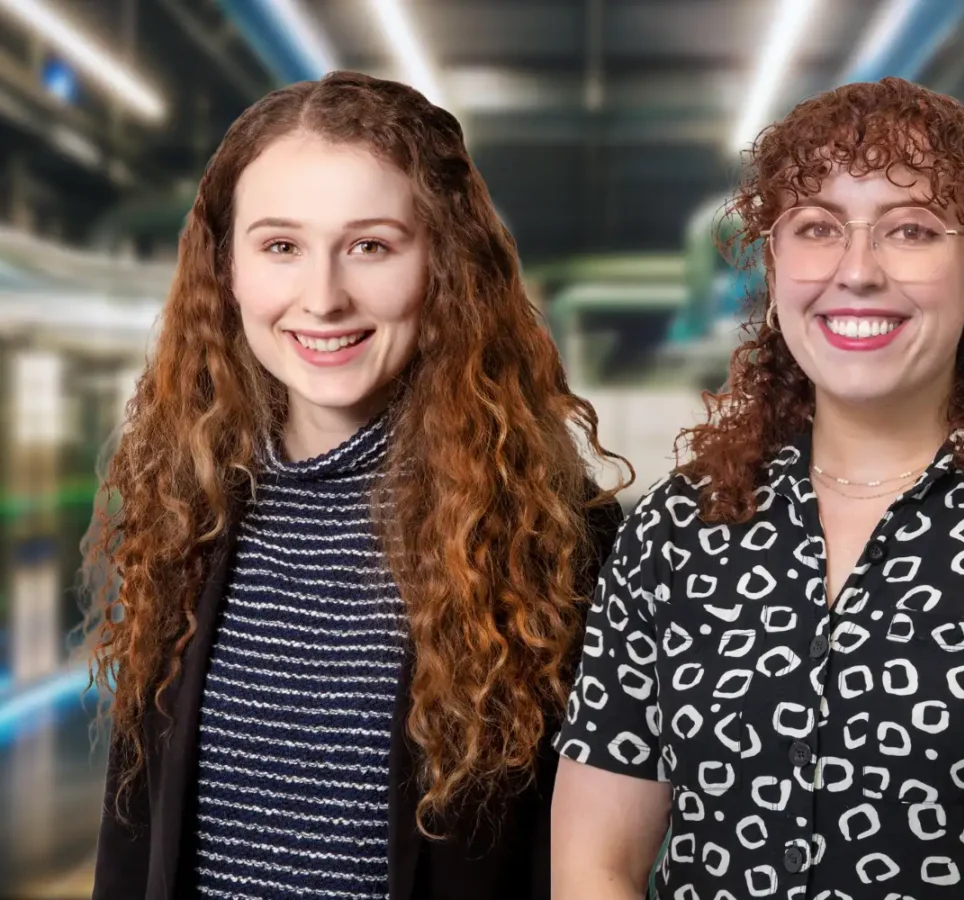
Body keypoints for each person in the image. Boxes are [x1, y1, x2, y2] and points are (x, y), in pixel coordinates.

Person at [551, 76, 964, 900]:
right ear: (776, 267)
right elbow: (593, 865)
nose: (857, 271)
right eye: (817, 228)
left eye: (912, 230)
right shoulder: (679, 530)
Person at [83, 70, 626, 900]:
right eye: (281, 246)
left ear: (445, 265)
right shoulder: (176, 512)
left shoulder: (559, 543)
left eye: (371, 245)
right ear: (225, 270)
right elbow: (132, 845)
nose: (324, 298)